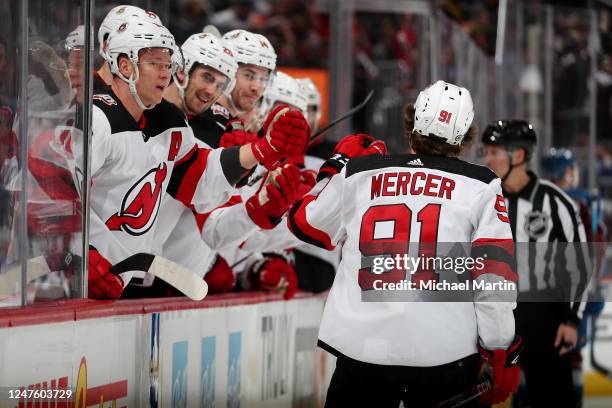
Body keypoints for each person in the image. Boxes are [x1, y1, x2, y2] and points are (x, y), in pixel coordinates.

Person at [288, 80, 521, 407]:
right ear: (465, 135)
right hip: (445, 354)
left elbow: (304, 223)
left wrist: (335, 168)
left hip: (362, 350)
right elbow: (493, 279)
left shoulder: (361, 173)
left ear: (413, 124)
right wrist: (500, 351)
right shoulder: (481, 186)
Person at [84, 19, 308, 299]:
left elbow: (199, 176)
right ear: (125, 65)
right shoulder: (95, 116)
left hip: (128, 279)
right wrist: (83, 251)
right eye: (155, 64)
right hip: (78, 276)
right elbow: (58, 194)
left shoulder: (172, 124)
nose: (164, 74)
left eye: (167, 65)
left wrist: (262, 150)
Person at [482, 121, 589, 407]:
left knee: (553, 398)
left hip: (546, 318)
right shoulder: (483, 201)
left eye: (494, 151)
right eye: (486, 151)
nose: (487, 159)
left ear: (518, 155)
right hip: (498, 314)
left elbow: (578, 265)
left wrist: (571, 320)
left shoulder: (557, 203)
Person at [540, 147, 606, 405]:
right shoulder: (583, 206)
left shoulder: (531, 202)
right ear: (567, 172)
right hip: (574, 302)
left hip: (539, 301)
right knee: (572, 360)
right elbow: (595, 253)